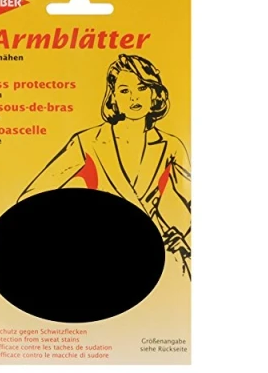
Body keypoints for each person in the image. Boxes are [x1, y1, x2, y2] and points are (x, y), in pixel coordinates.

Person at [18, 54, 191, 279]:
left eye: (142, 87)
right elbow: (30, 199)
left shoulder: (171, 145)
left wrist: (185, 237)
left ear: (154, 94)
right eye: (124, 91)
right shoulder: (87, 141)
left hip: (161, 254)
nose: (134, 97)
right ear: (113, 97)